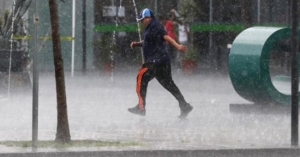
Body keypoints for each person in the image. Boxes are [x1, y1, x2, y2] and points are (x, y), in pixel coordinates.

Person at [128, 8, 193, 118]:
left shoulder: (155, 25)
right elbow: (149, 41)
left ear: (148, 18)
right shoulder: (151, 27)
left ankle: (141, 107)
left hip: (155, 62)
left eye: (142, 20)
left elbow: (165, 36)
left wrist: (177, 46)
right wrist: (138, 44)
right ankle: (184, 105)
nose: (141, 22)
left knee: (141, 77)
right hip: (163, 61)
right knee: (169, 84)